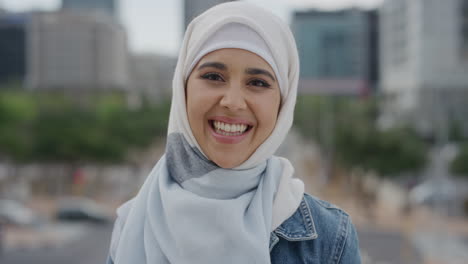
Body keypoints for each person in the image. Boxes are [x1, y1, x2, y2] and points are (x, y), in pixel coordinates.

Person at [106, 2, 361, 264]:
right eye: (214, 77)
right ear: (183, 89)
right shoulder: (133, 225)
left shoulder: (328, 240)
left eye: (258, 83)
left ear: (282, 104)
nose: (233, 102)